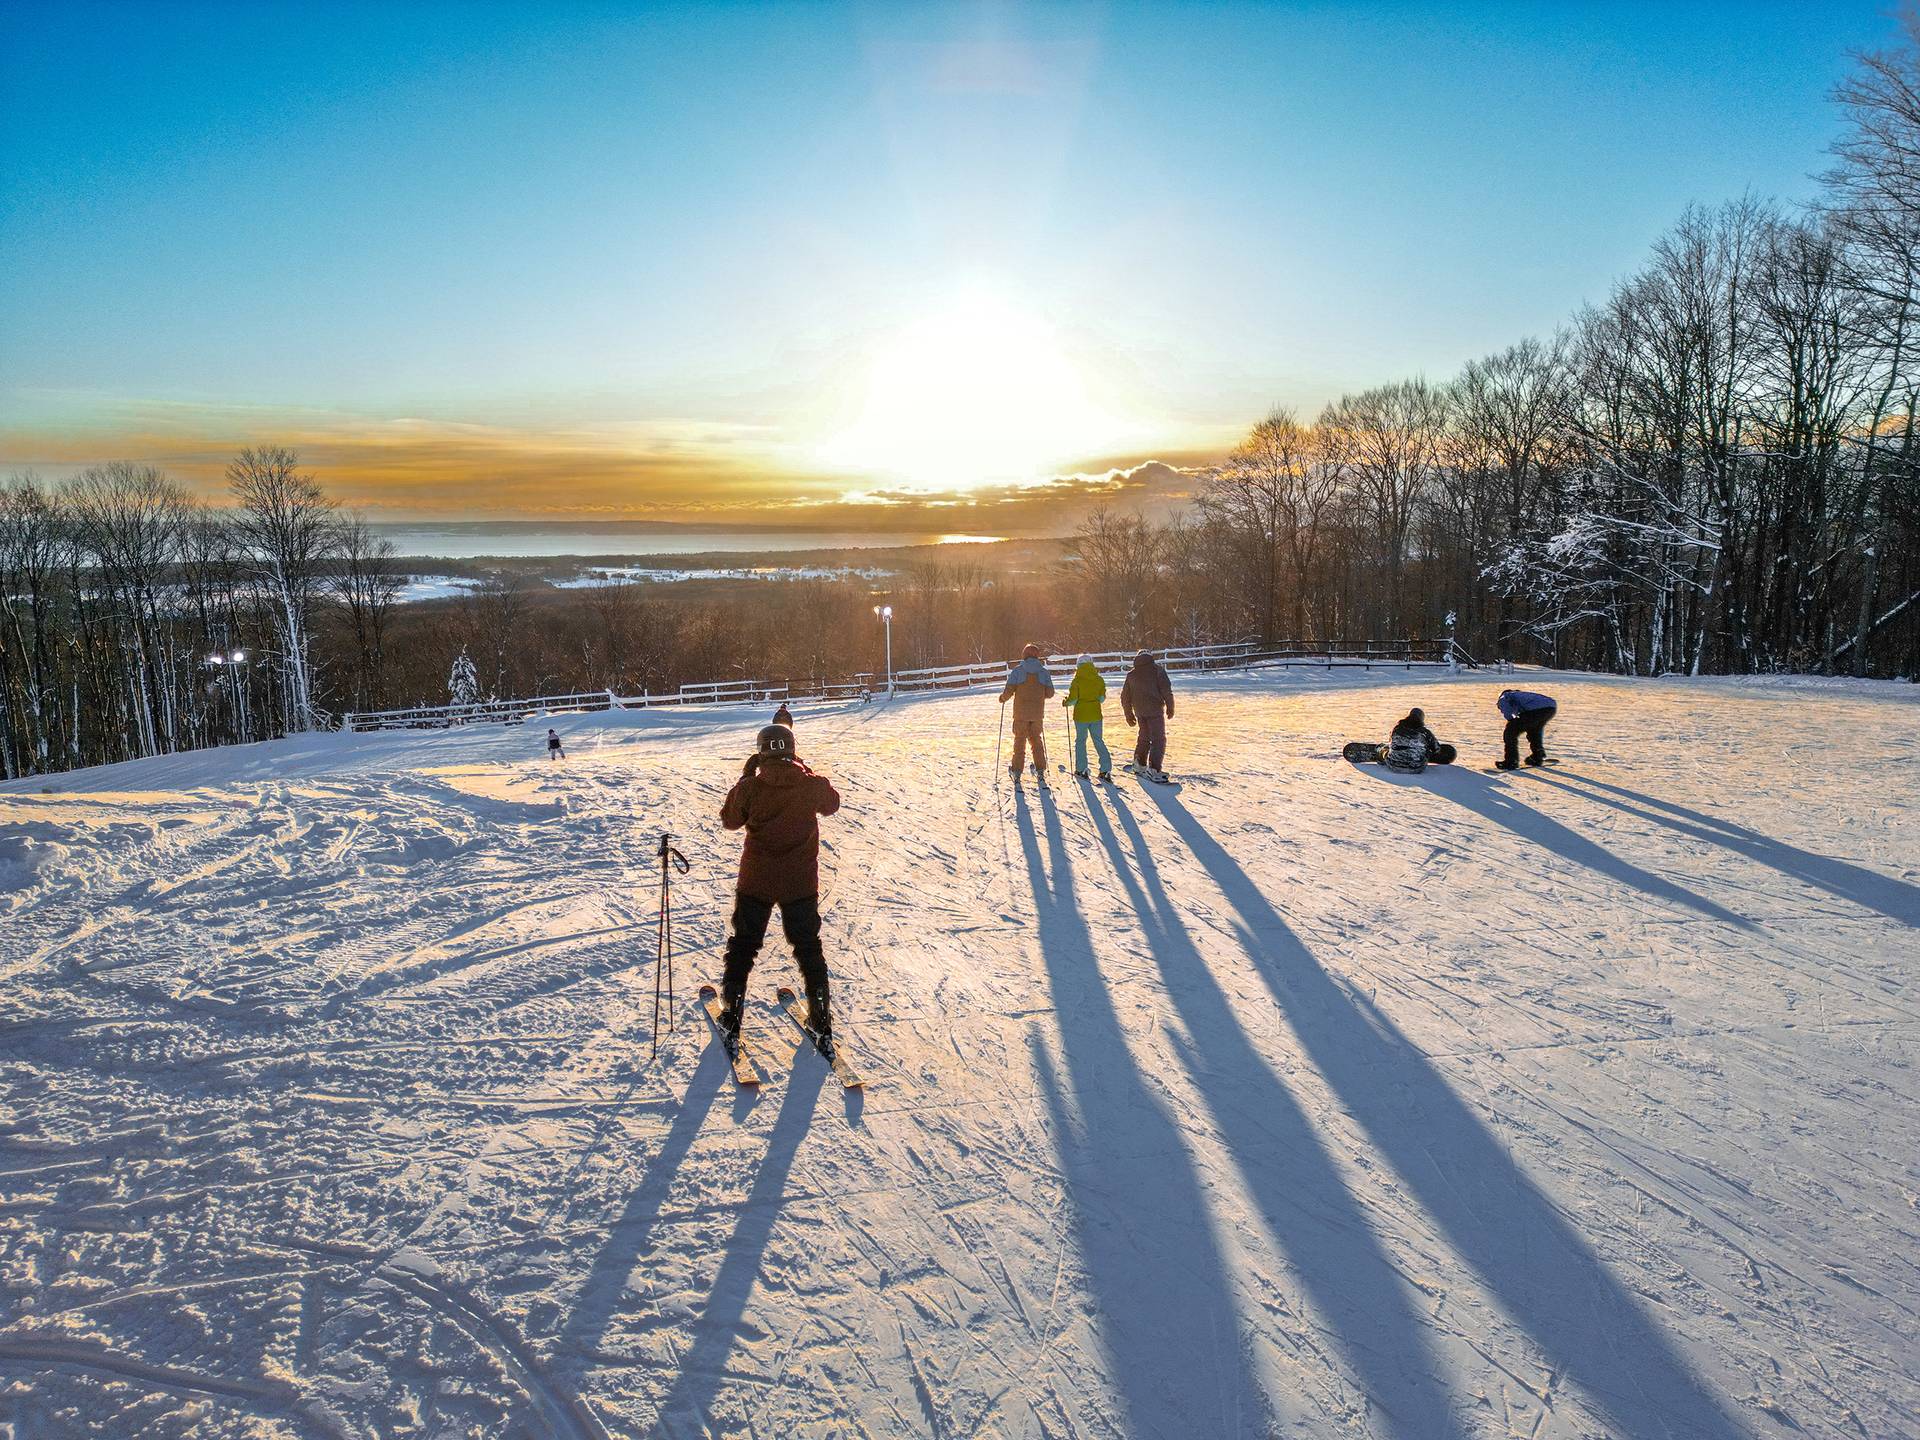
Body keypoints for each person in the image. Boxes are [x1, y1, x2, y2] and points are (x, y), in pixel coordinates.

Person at [717, 723, 843, 1056]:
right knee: (808, 949)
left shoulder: (751, 788)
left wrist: (744, 780)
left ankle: (732, 1015)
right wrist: (807, 771)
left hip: (756, 881)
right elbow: (832, 803)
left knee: (743, 946)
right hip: (799, 883)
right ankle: (821, 1018)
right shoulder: (808, 785)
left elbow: (729, 820)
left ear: (761, 753)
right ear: (791, 751)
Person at [999, 643, 1055, 781]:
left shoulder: (1018, 671)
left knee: (1019, 741)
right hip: (1037, 714)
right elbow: (1050, 693)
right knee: (1036, 741)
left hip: (1020, 714)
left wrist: (1002, 698)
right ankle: (1040, 769)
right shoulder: (1043, 672)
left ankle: (1017, 771)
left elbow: (1009, 690)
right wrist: (1039, 694)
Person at [1120, 649, 1174, 782]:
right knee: (1158, 739)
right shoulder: (1157, 670)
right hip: (1155, 710)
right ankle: (1154, 769)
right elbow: (1166, 690)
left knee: (1144, 737)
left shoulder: (1131, 674)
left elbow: (1125, 696)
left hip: (1140, 711)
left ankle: (1139, 764)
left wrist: (1128, 713)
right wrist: (1170, 706)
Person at [1062, 655, 1113, 782]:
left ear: (1078, 665)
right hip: (1096, 715)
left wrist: (1065, 702)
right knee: (1098, 740)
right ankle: (1105, 770)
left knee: (1080, 741)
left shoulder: (1077, 680)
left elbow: (1073, 700)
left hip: (1081, 716)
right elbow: (1101, 699)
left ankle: (1081, 769)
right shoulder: (1099, 679)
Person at [1495, 688, 1556, 769]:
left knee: (1510, 733)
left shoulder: (1506, 696)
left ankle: (1511, 761)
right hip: (1550, 707)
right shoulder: (1522, 697)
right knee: (1534, 730)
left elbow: (1505, 707)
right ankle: (1537, 756)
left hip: (1537, 710)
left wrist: (1511, 722)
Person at [1383, 707, 1456, 773]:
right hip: (1416, 768)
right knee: (1425, 750)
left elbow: (1391, 742)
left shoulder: (1397, 729)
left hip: (1393, 765)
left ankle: (1381, 752)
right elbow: (1436, 749)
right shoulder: (1424, 732)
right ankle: (1416, 755)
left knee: (1386, 750)